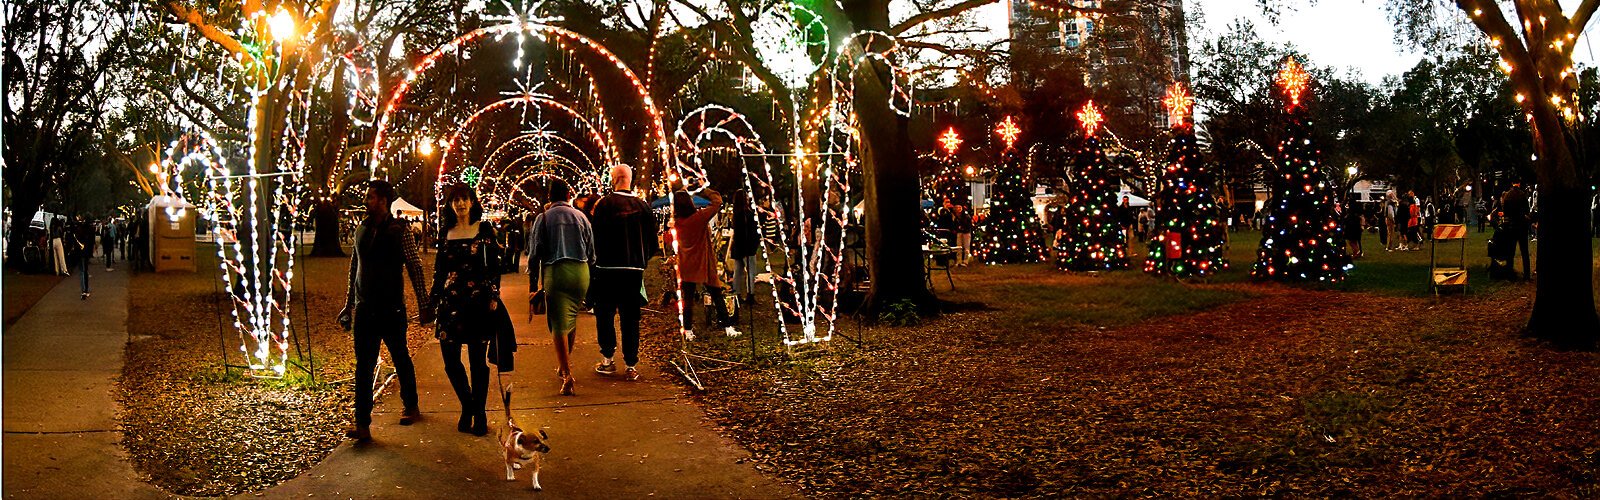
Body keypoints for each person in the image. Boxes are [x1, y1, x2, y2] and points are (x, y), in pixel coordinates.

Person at [337, 180, 432, 442]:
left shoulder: (399, 230)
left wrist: (423, 305)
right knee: (364, 367)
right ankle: (362, 423)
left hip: (391, 308)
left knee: (400, 357)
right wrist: (349, 305)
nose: (366, 201)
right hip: (366, 309)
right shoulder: (361, 230)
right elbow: (354, 270)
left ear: (383, 201)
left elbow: (415, 267)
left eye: (371, 197)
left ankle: (411, 404)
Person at [429, 184, 511, 437]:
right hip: (449, 303)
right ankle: (469, 405)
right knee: (451, 360)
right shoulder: (446, 232)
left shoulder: (484, 230)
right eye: (456, 200)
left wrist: (494, 296)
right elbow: (440, 269)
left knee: (477, 361)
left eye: (465, 199)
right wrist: (432, 299)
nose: (460, 204)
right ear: (450, 204)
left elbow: (495, 266)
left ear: (473, 202)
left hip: (478, 303)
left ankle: (480, 413)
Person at [588, 165, 657, 382]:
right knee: (630, 318)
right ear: (629, 179)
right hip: (633, 270)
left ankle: (608, 359)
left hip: (606, 268)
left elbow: (594, 237)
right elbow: (653, 241)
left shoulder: (603, 205)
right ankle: (631, 364)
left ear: (614, 179)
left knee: (605, 315)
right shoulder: (643, 207)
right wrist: (641, 259)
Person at [528, 178, 594, 395]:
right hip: (581, 273)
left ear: (549, 197)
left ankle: (566, 373)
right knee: (571, 319)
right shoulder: (581, 216)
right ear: (568, 196)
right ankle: (563, 365)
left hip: (556, 272)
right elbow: (592, 252)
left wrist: (532, 284)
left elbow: (534, 253)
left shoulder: (543, 218)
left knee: (558, 324)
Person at [672, 186, 741, 339]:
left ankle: (688, 329)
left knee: (688, 298)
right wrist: (702, 189)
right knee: (716, 294)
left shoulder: (678, 222)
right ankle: (728, 326)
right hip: (703, 262)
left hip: (686, 264)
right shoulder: (698, 218)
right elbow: (717, 202)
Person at [729, 189, 760, 304]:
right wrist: (754, 244)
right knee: (751, 271)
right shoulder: (748, 214)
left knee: (738, 271)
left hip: (738, 247)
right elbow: (753, 232)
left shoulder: (736, 215)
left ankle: (736, 293)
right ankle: (750, 294)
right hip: (748, 247)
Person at [1500, 183, 1533, 280]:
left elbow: (1505, 212)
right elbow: (1527, 210)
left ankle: (1510, 274)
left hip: (1512, 226)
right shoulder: (1522, 195)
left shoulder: (1508, 196)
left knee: (1511, 251)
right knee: (1524, 251)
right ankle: (1526, 275)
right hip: (1522, 225)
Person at [71, 219, 94, 299]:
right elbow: (91, 242)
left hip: (79, 253)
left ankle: (83, 290)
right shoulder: (89, 232)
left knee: (81, 271)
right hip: (86, 253)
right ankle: (85, 290)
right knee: (85, 271)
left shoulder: (77, 232)